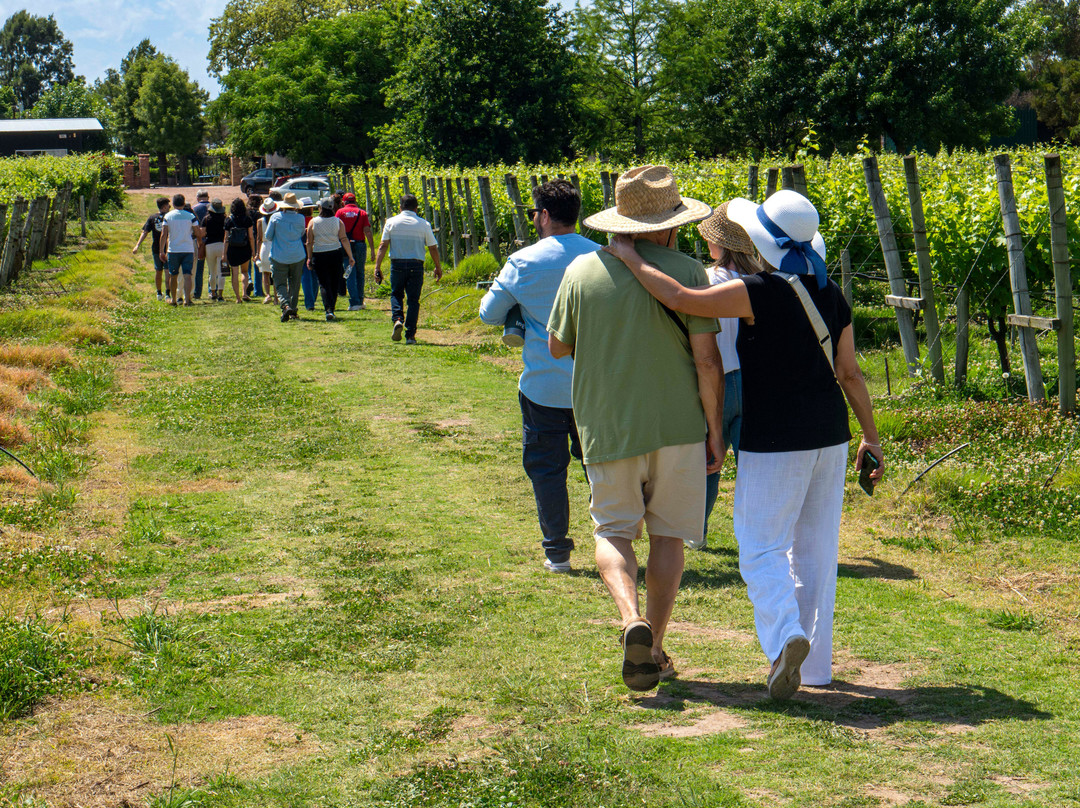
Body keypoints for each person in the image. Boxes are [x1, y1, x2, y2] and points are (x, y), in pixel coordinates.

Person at [603, 189, 885, 700]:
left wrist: (630, 256)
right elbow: (850, 372)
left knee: (760, 548)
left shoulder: (759, 289)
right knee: (817, 550)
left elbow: (683, 300)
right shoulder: (830, 292)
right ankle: (815, 666)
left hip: (775, 437)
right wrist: (871, 435)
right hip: (831, 435)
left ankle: (784, 641)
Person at [547, 165, 724, 691]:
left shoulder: (581, 271)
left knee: (613, 532)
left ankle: (631, 621)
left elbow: (558, 346)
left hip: (607, 424)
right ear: (672, 223)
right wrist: (715, 429)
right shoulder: (689, 273)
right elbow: (707, 362)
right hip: (678, 425)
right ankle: (659, 644)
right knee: (668, 537)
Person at [478, 180, 601, 573]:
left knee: (547, 470)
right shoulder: (603, 255)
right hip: (595, 385)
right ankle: (612, 543)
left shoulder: (523, 262)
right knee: (600, 468)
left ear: (544, 215)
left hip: (543, 386)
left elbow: (488, 314)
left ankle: (558, 554)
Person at [692, 202, 763, 551]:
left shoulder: (706, 281)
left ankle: (697, 530)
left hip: (716, 379)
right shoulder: (759, 282)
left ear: (718, 243)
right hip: (751, 382)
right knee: (751, 464)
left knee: (709, 458)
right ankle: (755, 531)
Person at [373, 194, 443, 345]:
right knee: (413, 300)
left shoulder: (391, 222)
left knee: (396, 294)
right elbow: (432, 247)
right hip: (416, 265)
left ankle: (398, 319)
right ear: (416, 208)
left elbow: (383, 245)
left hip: (397, 263)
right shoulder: (424, 224)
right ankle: (410, 335)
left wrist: (377, 266)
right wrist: (438, 266)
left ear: (400, 207)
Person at [306, 198, 355, 321]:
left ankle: (328, 309)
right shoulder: (338, 222)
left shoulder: (313, 222)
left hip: (319, 253)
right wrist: (350, 256)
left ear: (320, 208)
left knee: (323, 282)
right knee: (334, 281)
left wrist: (309, 257)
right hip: (335, 253)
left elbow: (309, 242)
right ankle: (331, 308)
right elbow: (343, 239)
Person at [265, 193, 308, 321]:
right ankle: (293, 310)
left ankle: (285, 304)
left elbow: (268, 236)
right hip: (297, 255)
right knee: (295, 283)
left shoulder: (275, 217)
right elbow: (301, 234)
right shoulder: (301, 218)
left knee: (280, 283)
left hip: (279, 255)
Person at [159, 194, 204, 307]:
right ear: (184, 203)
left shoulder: (168, 216)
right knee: (187, 274)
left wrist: (161, 250)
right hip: (188, 248)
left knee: (173, 275)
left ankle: (174, 299)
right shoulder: (190, 216)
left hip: (173, 249)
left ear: (173, 204)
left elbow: (164, 234)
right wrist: (199, 241)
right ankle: (187, 300)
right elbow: (197, 232)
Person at [335, 192, 375, 311]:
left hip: (346, 245)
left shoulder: (340, 212)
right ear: (355, 201)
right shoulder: (362, 213)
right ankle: (360, 299)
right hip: (360, 244)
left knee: (349, 272)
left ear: (344, 202)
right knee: (360, 272)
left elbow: (336, 228)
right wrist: (372, 249)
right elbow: (367, 231)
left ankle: (354, 301)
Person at [133, 196, 170, 299]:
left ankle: (159, 293)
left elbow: (145, 232)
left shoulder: (152, 217)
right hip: (168, 248)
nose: (169, 207)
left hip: (156, 248)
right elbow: (145, 232)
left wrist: (137, 245)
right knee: (167, 271)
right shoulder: (170, 217)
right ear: (164, 206)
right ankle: (167, 293)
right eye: (168, 205)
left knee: (159, 270)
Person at [225, 198, 256, 303]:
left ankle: (238, 298)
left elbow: (226, 239)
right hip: (245, 248)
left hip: (232, 249)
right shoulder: (247, 219)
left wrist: (224, 253)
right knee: (245, 272)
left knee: (234, 273)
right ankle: (244, 293)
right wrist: (253, 250)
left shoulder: (229, 220)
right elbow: (251, 237)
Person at [202, 199, 228, 302]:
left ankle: (213, 293)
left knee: (212, 272)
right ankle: (220, 294)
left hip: (210, 246)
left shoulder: (206, 219)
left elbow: (203, 233)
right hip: (222, 245)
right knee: (222, 271)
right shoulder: (225, 219)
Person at [299, 197, 321, 311]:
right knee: (315, 275)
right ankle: (313, 297)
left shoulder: (299, 220)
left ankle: (309, 301)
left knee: (305, 276)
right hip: (314, 248)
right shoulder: (314, 220)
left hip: (301, 248)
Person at [255, 198, 277, 305]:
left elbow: (259, 238)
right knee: (276, 272)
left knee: (265, 273)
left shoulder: (260, 221)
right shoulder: (276, 220)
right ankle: (277, 296)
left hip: (264, 246)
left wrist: (257, 253)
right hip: (274, 245)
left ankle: (268, 295)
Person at [192, 190, 211, 299]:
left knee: (198, 269)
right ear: (208, 197)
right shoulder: (214, 207)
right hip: (212, 239)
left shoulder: (194, 208)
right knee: (212, 269)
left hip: (199, 240)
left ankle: (197, 292)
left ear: (198, 198)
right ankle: (212, 291)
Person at [246, 194, 264, 298]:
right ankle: (258, 290)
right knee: (257, 265)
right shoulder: (260, 213)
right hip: (258, 239)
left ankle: (248, 279)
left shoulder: (246, 212)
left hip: (247, 239)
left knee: (246, 265)